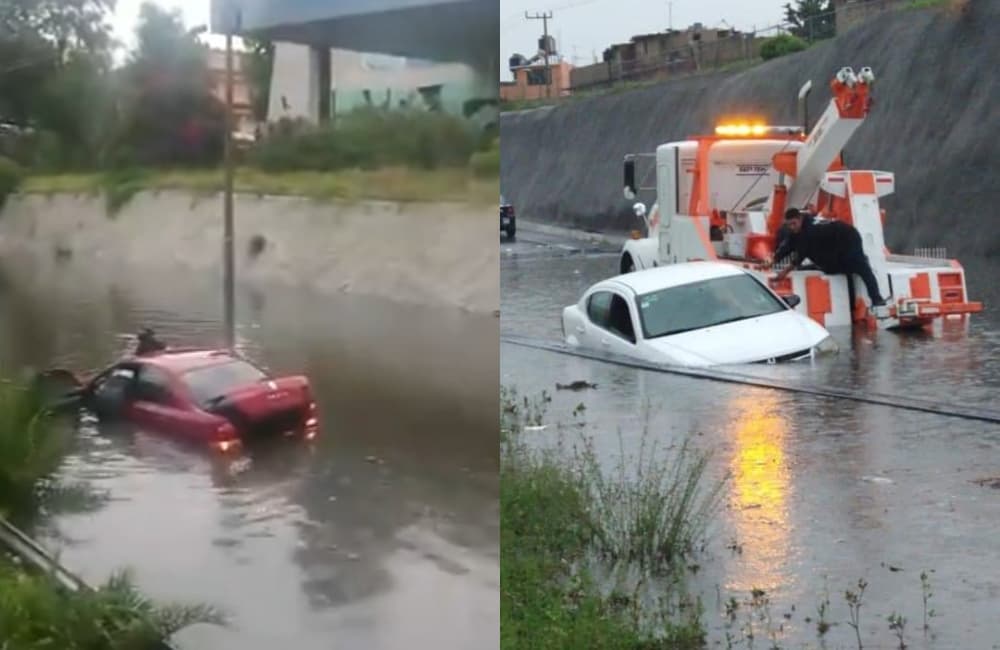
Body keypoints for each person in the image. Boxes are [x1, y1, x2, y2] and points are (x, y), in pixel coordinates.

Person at [767, 208, 888, 312]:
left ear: (800, 219)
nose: (792, 227)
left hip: (847, 238)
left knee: (861, 268)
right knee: (832, 269)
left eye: (794, 224)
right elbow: (788, 247)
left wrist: (784, 272)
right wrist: (773, 260)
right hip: (830, 245)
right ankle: (848, 294)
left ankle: (877, 299)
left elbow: (800, 255)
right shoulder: (796, 231)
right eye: (789, 225)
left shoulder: (809, 230)